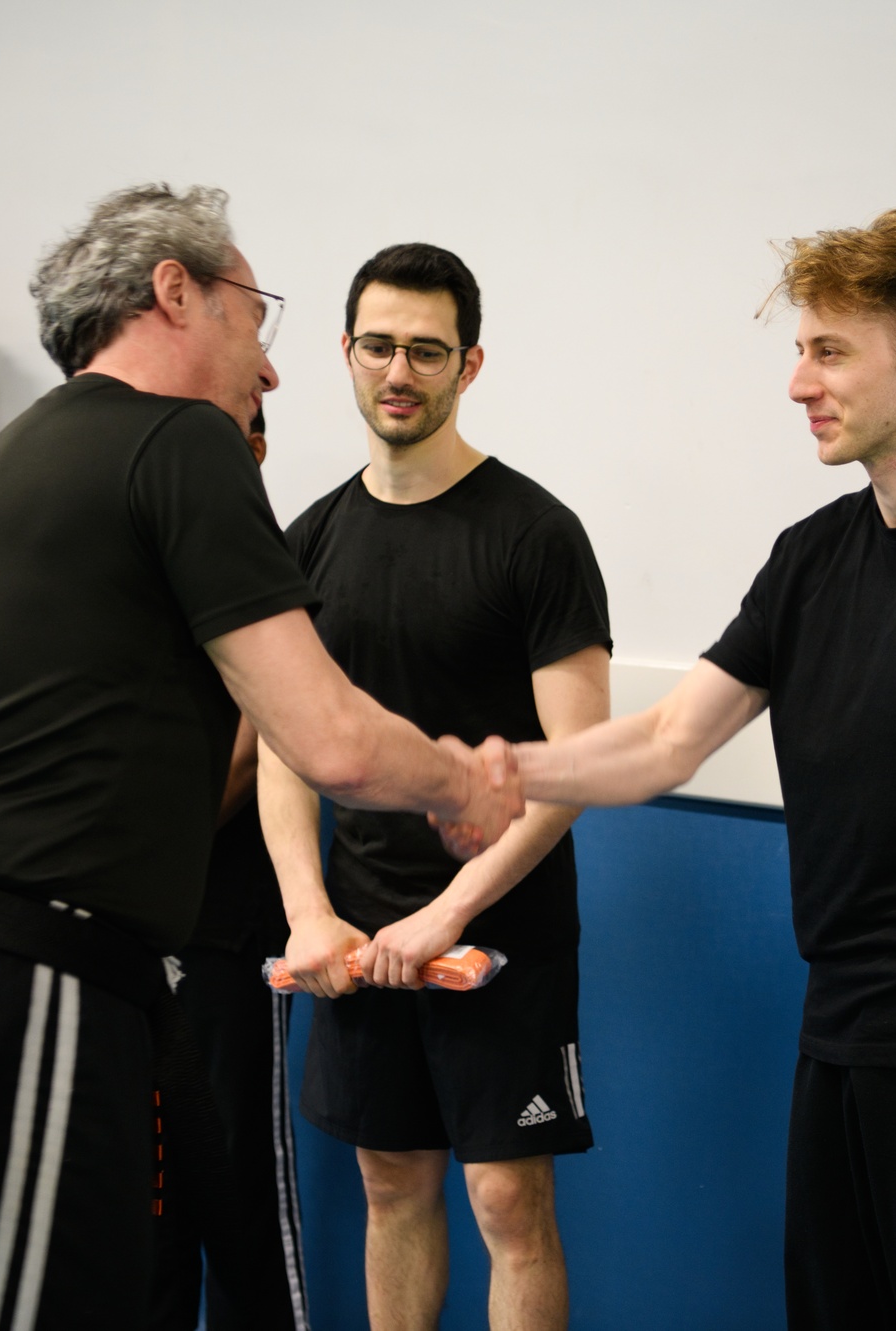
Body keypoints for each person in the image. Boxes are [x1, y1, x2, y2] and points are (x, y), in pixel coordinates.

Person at [0, 184, 524, 1330]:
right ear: (174, 292)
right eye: (253, 315)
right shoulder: (181, 439)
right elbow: (328, 737)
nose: (270, 365)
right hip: (27, 970)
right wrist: (463, 783)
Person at [507, 209, 896, 1329]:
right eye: (800, 350)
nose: (799, 382)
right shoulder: (808, 559)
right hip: (840, 1040)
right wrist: (495, 770)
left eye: (830, 351)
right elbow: (667, 739)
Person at [260, 243, 611, 1331]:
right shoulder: (309, 539)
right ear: (345, 352)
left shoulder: (535, 534)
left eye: (425, 349)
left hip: (499, 931)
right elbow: (283, 748)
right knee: (389, 1183)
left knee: (507, 1200)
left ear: (470, 363)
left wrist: (449, 911)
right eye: (378, 345)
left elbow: (577, 762)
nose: (398, 371)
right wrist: (309, 910)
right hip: (360, 934)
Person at [149, 408, 311, 1331]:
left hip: (227, 924)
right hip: (133, 918)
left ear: (254, 448)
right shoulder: (136, 551)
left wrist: (144, 846)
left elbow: (262, 741)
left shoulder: (266, 560)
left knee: (238, 1173)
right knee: (146, 1179)